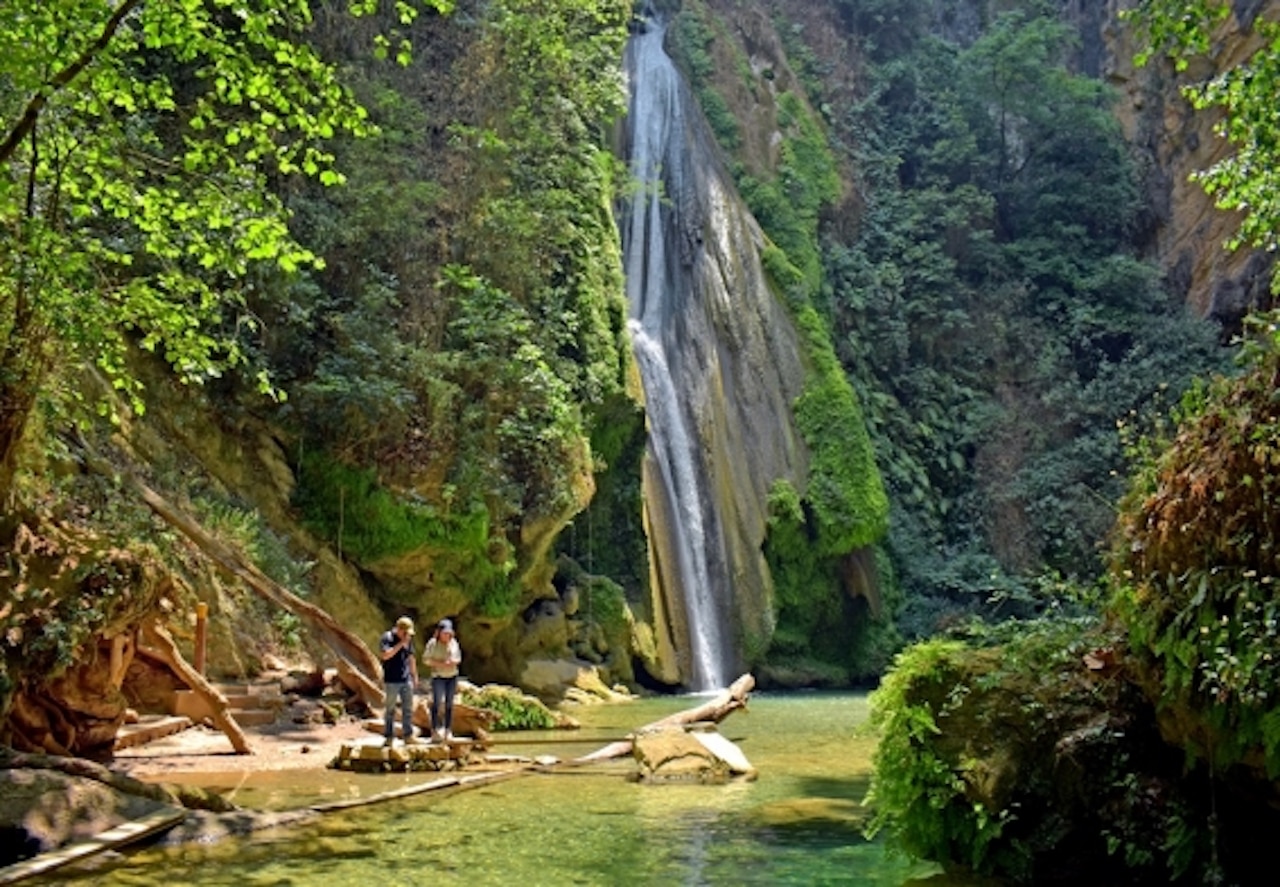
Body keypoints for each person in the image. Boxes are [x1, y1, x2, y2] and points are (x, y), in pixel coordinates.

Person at [380, 615, 419, 746]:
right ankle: (389, 737)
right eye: (405, 633)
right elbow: (385, 655)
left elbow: (411, 658)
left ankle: (408, 735)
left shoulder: (408, 640)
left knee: (407, 709)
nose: (407, 636)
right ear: (399, 630)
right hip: (391, 680)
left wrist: (415, 676)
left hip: (406, 679)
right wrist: (400, 644)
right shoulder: (388, 638)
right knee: (390, 709)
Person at [422, 618, 462, 742]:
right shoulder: (433, 644)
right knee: (437, 703)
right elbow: (426, 660)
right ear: (439, 632)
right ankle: (435, 730)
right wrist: (441, 663)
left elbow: (458, 659)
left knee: (450, 704)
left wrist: (452, 662)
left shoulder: (454, 643)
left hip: (452, 676)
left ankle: (448, 730)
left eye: (448, 633)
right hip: (438, 676)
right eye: (444, 633)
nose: (446, 635)